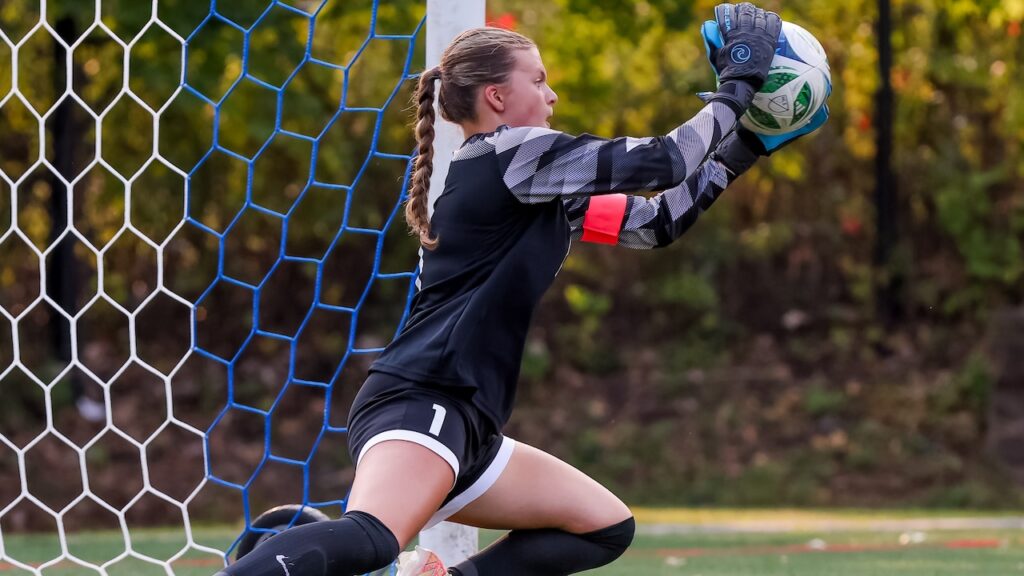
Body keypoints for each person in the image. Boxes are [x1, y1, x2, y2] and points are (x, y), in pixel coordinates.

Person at [217, 3, 822, 575]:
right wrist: (737, 85)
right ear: (497, 97)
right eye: (538, 79)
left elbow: (659, 221)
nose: (552, 94)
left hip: (470, 420)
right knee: (374, 537)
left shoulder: (541, 187)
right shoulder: (512, 154)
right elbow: (665, 160)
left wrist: (744, 145)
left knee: (604, 527)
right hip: (424, 397)